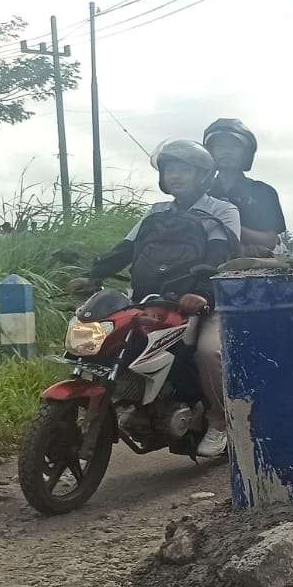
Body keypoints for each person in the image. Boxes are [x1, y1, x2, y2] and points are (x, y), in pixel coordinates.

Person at [69, 140, 239, 458]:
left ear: (203, 174)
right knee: (117, 340)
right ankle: (128, 402)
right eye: (170, 169)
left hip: (206, 301)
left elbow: (220, 255)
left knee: (207, 352)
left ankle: (220, 423)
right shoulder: (157, 212)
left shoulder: (222, 210)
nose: (175, 175)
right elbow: (126, 249)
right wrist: (94, 274)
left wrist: (201, 292)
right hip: (154, 299)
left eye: (184, 169)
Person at [202, 118, 285, 258]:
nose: (227, 151)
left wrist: (225, 226)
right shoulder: (200, 192)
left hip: (255, 264)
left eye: (234, 146)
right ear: (210, 151)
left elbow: (270, 241)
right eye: (220, 146)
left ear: (245, 153)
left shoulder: (263, 192)